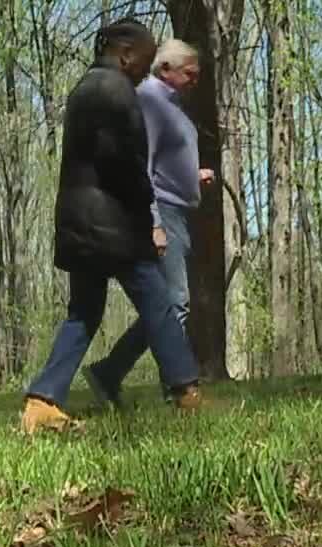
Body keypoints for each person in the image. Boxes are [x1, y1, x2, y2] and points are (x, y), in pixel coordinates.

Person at [20, 19, 203, 434]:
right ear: (125, 53)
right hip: (114, 225)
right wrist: (146, 215)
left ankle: (43, 399)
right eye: (144, 57)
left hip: (79, 222)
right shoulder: (116, 91)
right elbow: (123, 163)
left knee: (84, 311)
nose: (146, 68)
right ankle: (185, 390)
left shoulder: (85, 88)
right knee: (160, 303)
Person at [80, 38, 216, 408]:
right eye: (190, 74)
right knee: (173, 304)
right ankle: (174, 389)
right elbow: (142, 164)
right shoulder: (152, 103)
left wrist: (192, 175)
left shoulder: (169, 106)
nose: (194, 82)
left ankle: (113, 373)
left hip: (177, 212)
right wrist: (154, 221)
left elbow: (164, 162)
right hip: (164, 213)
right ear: (166, 69)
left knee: (168, 304)